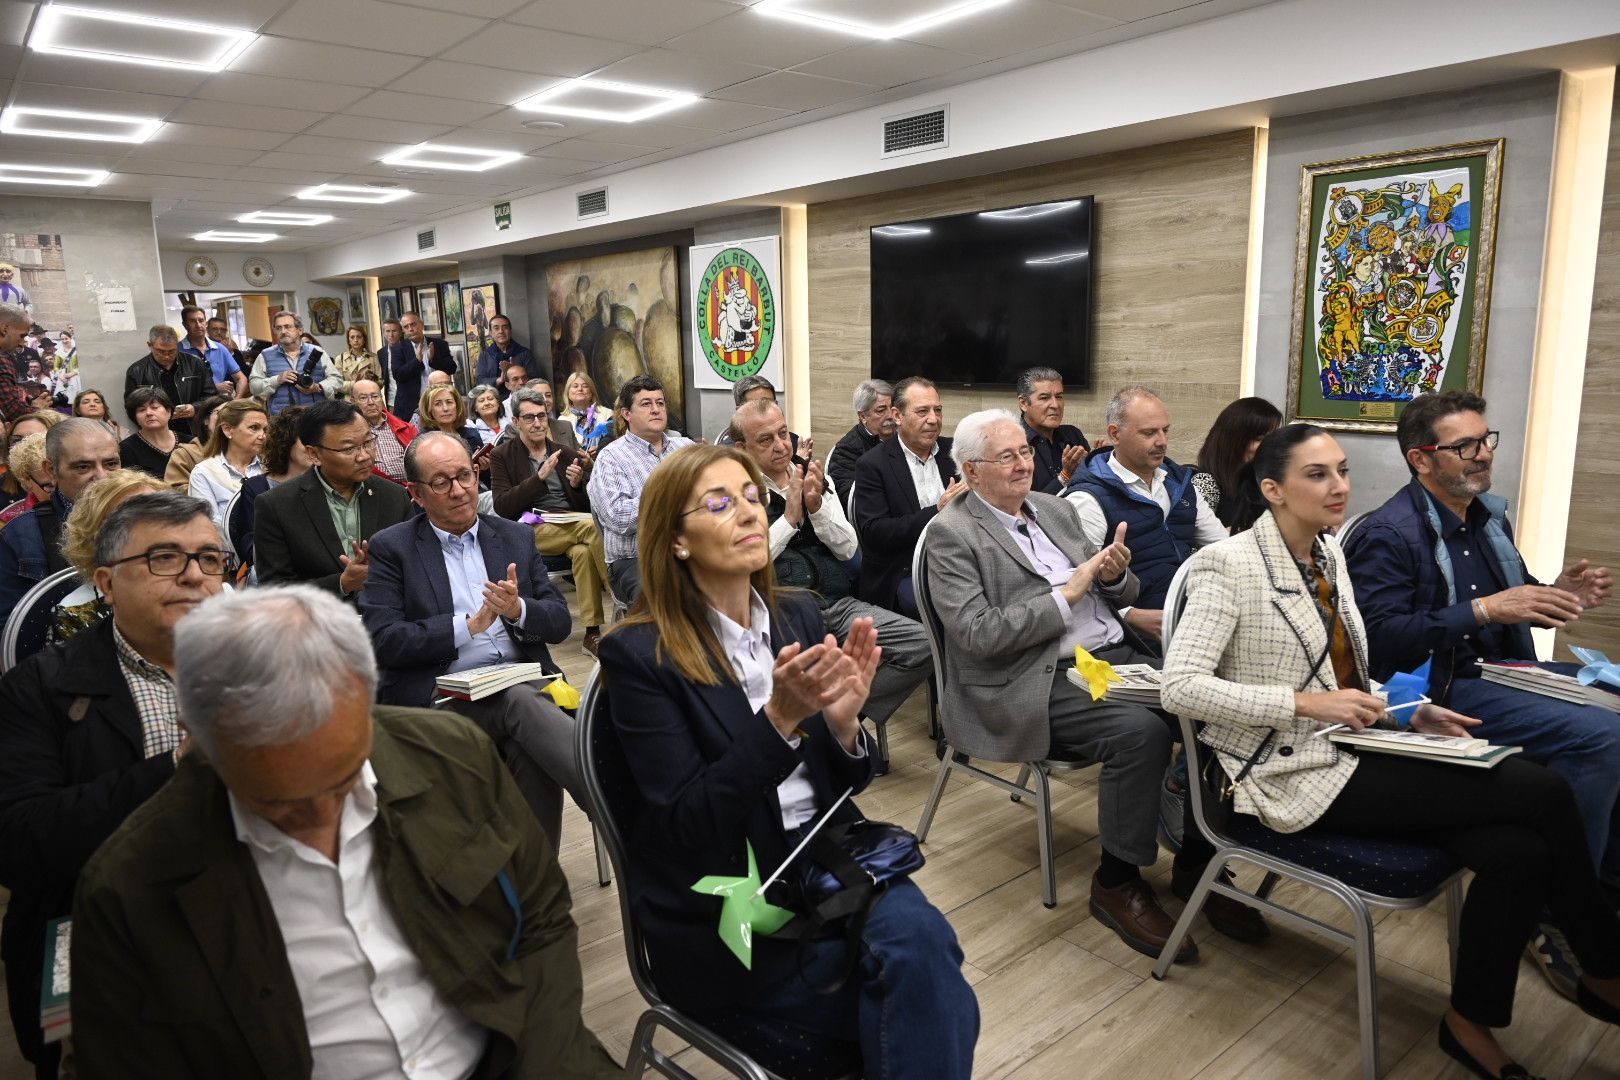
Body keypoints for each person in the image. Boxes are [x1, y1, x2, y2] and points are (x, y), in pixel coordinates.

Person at [1161, 422, 1620, 1080]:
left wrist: (1412, 710)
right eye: (1318, 475)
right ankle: (1604, 961)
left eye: (1343, 470)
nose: (1340, 486)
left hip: (1351, 743)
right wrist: (1301, 704)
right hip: (1281, 771)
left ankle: (1470, 1023)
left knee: (1521, 851)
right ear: (1273, 490)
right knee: (1541, 790)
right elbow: (1179, 689)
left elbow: (1346, 678)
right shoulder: (1225, 567)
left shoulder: (1329, 554)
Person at [70, 584, 621, 1079]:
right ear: (194, 739)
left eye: (342, 779)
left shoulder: (452, 756)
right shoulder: (133, 886)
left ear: (366, 703)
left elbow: (542, 919)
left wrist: (549, 1062)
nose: (317, 816)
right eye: (275, 801)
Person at [596, 441, 977, 1078]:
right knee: (919, 1005)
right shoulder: (641, 657)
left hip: (824, 859)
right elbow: (687, 825)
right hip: (729, 899)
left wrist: (844, 723)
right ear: (676, 541)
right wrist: (779, 721)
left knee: (925, 953)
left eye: (752, 497)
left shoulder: (794, 613)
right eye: (719, 504)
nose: (749, 513)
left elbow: (838, 784)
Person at [927, 409, 1259, 952]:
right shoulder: (952, 534)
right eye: (1007, 456)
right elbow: (977, 635)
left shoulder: (1053, 511)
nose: (1023, 465)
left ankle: (1198, 861)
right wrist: (1067, 596)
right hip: (1035, 676)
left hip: (1105, 657)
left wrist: (1113, 574)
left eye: (1026, 453)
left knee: (1212, 702)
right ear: (970, 470)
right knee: (1142, 733)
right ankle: (1116, 882)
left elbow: (1120, 593)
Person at [1345, 391, 1620, 982]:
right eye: (1464, 445)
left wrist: (1559, 591)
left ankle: (1598, 880)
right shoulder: (1389, 534)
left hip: (1499, 672)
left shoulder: (1487, 518)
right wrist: (1485, 610)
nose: (1482, 455)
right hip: (1439, 689)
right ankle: (1556, 912)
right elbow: (1378, 641)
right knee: (1601, 736)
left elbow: (1515, 596)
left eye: (1486, 440)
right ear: (1421, 460)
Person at [0, 490, 228, 1080]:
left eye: (209, 558)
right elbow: (19, 842)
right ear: (105, 582)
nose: (193, 575)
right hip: (107, 931)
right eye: (164, 559)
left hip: (253, 925)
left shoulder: (264, 665)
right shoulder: (42, 688)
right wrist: (180, 764)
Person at [360, 432, 582, 846]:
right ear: (417, 494)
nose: (460, 490)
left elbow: (558, 624)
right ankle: (612, 798)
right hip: (443, 700)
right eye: (441, 482)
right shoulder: (394, 549)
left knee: (527, 742)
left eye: (465, 475)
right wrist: (468, 626)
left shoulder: (513, 537)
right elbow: (383, 640)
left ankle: (532, 894)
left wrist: (518, 611)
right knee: (519, 700)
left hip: (525, 686)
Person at [733, 398, 932, 768]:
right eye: (765, 440)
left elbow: (849, 550)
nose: (780, 445)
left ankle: (839, 719)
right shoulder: (737, 492)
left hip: (838, 603)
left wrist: (817, 507)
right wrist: (789, 520)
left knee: (922, 644)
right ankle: (820, 733)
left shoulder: (810, 475)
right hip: (780, 611)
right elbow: (744, 566)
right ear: (742, 448)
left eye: (782, 434)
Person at [1062, 386, 1228, 642]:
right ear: (1115, 434)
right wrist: (1130, 616)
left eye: (1165, 430)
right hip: (1135, 632)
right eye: (1149, 433)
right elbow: (1073, 585)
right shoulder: (1088, 498)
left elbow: (1224, 549)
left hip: (1194, 611)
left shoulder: (1179, 483)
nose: (1162, 441)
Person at [252, 399, 413, 599]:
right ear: (314, 454)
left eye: (368, 442)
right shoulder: (276, 505)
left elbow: (414, 570)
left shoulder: (395, 496)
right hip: (317, 623)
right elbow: (274, 591)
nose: (364, 456)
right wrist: (342, 583)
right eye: (348, 449)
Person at [491, 388, 607, 656]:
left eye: (541, 416)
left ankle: (592, 633)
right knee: (591, 527)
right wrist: (539, 479)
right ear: (516, 422)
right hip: (530, 525)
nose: (537, 423)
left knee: (583, 551)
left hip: (570, 523)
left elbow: (579, 506)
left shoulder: (564, 452)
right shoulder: (503, 456)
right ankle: (624, 596)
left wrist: (578, 485)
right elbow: (503, 506)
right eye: (529, 418)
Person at [852, 376, 965, 618]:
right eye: (922, 411)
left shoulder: (954, 452)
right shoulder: (873, 464)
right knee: (954, 608)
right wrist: (937, 511)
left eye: (938, 410)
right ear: (897, 415)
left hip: (958, 561)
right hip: (902, 570)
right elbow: (876, 532)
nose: (933, 420)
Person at [587, 374, 694, 605]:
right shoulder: (611, 457)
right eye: (646, 404)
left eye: (660, 403)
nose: (656, 410)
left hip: (692, 548)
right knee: (660, 601)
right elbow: (618, 518)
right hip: (636, 559)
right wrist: (671, 501)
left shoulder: (685, 448)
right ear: (627, 414)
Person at [0, 418, 120, 618]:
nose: (102, 477)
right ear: (51, 470)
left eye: (111, 464)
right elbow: (12, 631)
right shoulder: (19, 536)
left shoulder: (150, 518)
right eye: (83, 467)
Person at [229, 406, 313, 572]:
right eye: (306, 440)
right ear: (287, 442)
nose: (314, 447)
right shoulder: (257, 488)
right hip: (276, 572)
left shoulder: (329, 483)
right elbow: (251, 546)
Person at [1192, 396, 1282, 528]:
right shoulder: (1205, 483)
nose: (1271, 445)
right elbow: (1195, 539)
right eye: (1260, 438)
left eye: (1274, 437)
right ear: (1234, 442)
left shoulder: (1266, 482)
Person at [187, 398, 268, 527]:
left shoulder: (271, 468)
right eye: (254, 428)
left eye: (265, 429)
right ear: (227, 429)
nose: (262, 435)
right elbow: (207, 525)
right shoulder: (204, 473)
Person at [124, 324, 207, 439]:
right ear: (150, 345)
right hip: (156, 434)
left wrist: (195, 408)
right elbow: (131, 408)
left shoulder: (195, 363)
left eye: (172, 351)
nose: (167, 356)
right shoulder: (136, 371)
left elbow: (211, 395)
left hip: (193, 430)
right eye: (161, 351)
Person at [1016, 366, 1090, 494]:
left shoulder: (1073, 435)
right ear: (1023, 403)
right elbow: (1025, 506)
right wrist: (1065, 477)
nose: (1055, 405)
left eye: (1059, 396)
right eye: (1044, 398)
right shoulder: (1012, 444)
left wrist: (1103, 458)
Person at [249, 310, 339, 415]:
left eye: (288, 327)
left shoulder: (317, 352)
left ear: (300, 330)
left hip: (316, 417)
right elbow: (254, 387)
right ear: (275, 332)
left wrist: (318, 387)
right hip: (281, 420)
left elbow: (337, 380)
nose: (283, 331)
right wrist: (277, 380)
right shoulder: (265, 355)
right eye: (278, 328)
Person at [829, 378, 895, 505]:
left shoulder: (903, 436)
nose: (890, 416)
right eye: (881, 410)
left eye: (892, 408)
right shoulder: (846, 451)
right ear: (863, 416)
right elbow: (850, 501)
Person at [385, 311, 455, 421]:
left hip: (439, 402)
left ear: (421, 324)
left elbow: (452, 368)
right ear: (403, 330)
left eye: (413, 324)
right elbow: (398, 375)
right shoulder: (398, 348)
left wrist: (434, 360)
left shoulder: (439, 344)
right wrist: (417, 361)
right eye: (406, 327)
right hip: (410, 407)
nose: (410, 329)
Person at [350, 376, 416, 484]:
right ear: (353, 402)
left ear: (382, 398)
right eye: (363, 398)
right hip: (373, 489)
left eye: (375, 396)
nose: (371, 402)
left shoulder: (406, 428)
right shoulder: (349, 433)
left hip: (411, 488)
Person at [161, 393, 229, 494]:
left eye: (235, 415)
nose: (229, 418)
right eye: (223, 413)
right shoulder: (184, 455)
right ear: (206, 419)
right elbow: (173, 491)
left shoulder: (249, 450)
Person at [177, 304, 246, 398]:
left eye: (201, 320)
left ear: (205, 323)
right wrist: (213, 388)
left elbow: (241, 378)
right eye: (192, 321)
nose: (198, 325)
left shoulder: (220, 349)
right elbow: (176, 386)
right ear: (185, 324)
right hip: (192, 408)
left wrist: (236, 402)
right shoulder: (177, 351)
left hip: (219, 406)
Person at [117, 387, 177, 479]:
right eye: (141, 410)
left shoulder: (190, 442)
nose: (149, 413)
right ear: (135, 418)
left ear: (168, 411)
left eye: (155, 408)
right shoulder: (126, 449)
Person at [0, 303, 43, 421]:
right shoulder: (2, 359)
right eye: (22, 336)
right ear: (4, 329)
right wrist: (39, 409)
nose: (22, 343)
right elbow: (12, 410)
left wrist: (27, 400)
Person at [418, 383, 483, 458]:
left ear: (457, 406)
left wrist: (485, 468)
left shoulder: (472, 435)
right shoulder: (423, 441)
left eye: (449, 402)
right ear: (428, 410)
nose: (445, 408)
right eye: (438, 404)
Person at [560, 370, 612, 452]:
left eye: (585, 386)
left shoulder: (607, 414)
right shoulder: (562, 421)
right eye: (575, 386)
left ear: (591, 392)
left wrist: (601, 448)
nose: (580, 389)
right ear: (568, 394)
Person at [3, 432, 49, 524]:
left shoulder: (84, 509)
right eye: (50, 486)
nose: (62, 492)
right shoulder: (8, 522)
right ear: (26, 480)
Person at [476, 313, 535, 386]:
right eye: (496, 328)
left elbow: (533, 380)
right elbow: (480, 380)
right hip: (493, 396)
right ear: (491, 333)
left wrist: (514, 372)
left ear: (510, 331)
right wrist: (500, 379)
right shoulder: (485, 355)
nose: (501, 331)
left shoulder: (525, 353)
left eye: (505, 327)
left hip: (518, 395)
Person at [331, 324, 383, 399]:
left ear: (364, 339)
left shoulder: (373, 357)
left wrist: (371, 380)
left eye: (359, 337)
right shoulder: (340, 359)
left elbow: (381, 383)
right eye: (352, 337)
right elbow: (337, 384)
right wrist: (355, 383)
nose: (355, 340)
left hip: (370, 399)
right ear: (348, 340)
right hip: (350, 401)